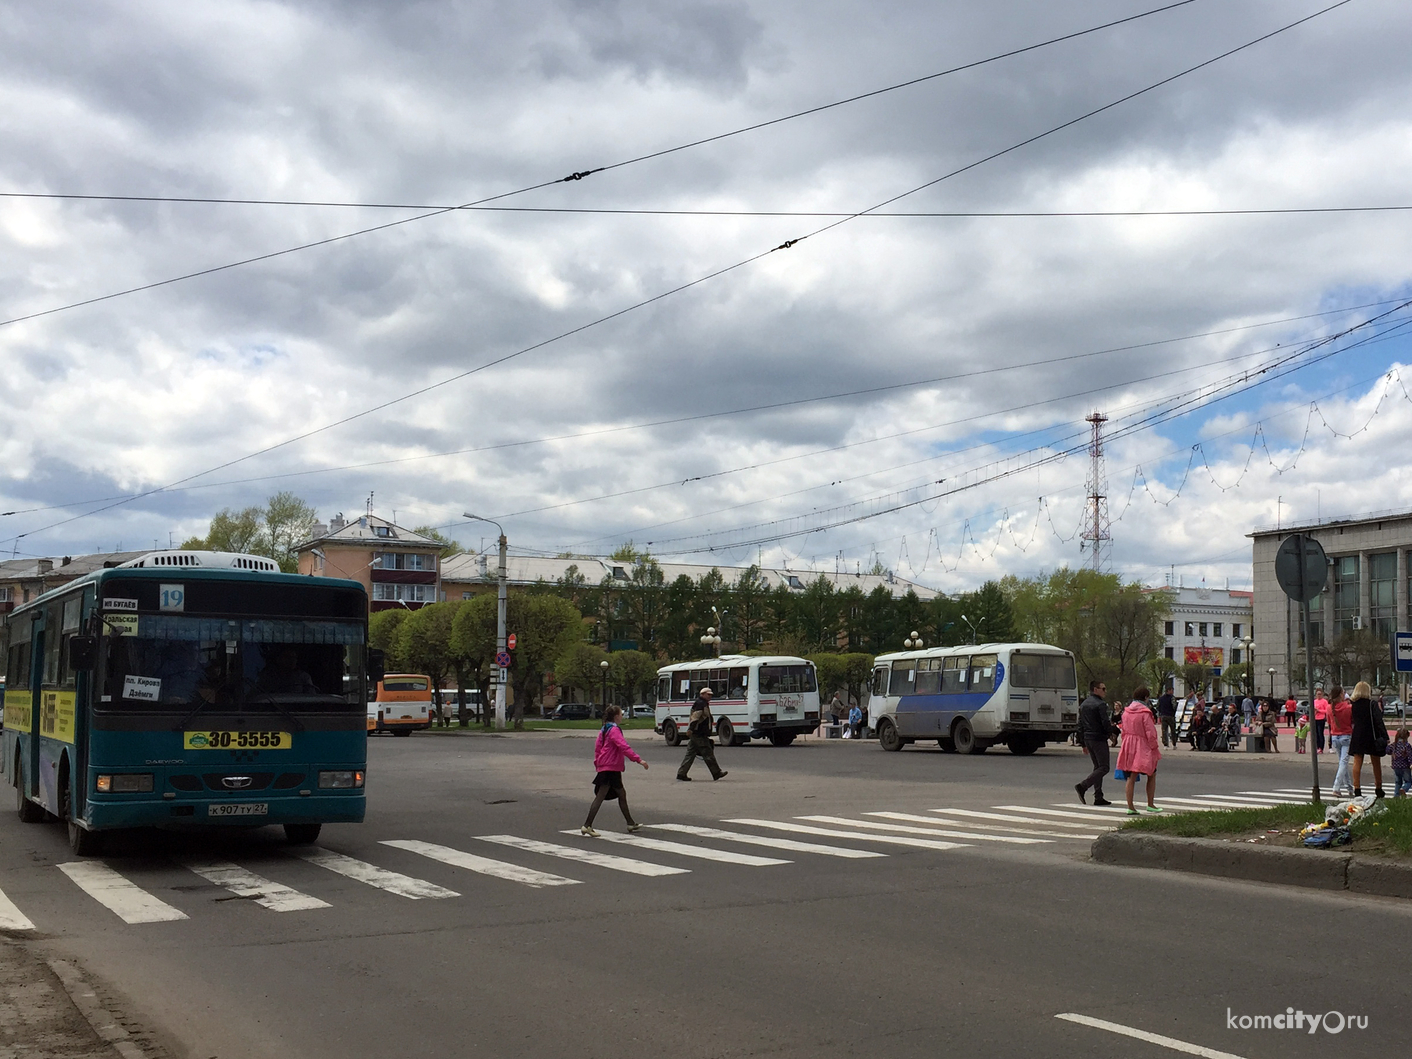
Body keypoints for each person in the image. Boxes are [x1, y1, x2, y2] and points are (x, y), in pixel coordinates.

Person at [581, 705, 648, 836]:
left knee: (621, 794)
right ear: (616, 716)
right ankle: (587, 825)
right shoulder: (614, 730)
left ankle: (630, 822)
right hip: (610, 767)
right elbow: (623, 746)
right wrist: (638, 760)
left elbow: (598, 748)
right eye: (621, 714)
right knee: (601, 796)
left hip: (607, 766)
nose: (622, 716)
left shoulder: (604, 728)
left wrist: (598, 763)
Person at [1117, 684, 1162, 814]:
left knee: (1131, 776)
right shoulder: (1145, 712)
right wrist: (1154, 746)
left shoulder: (1126, 711)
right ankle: (1150, 804)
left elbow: (1124, 729)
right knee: (1151, 773)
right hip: (1143, 745)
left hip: (1129, 744)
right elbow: (1150, 732)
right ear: (1146, 697)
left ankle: (1130, 807)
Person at [1348, 680, 1389, 798]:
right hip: (1372, 734)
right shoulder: (1372, 704)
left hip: (1358, 734)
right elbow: (1378, 721)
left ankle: (1357, 789)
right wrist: (1385, 736)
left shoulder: (1353, 705)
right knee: (1376, 762)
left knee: (1357, 761)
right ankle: (1378, 788)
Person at [1074, 680, 1113, 806]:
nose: (1105, 691)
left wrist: (1082, 742)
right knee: (1104, 767)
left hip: (1088, 738)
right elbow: (1105, 722)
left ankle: (1098, 796)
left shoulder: (1084, 704)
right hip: (1099, 738)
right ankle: (1083, 786)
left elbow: (1080, 724)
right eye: (1103, 688)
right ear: (1095, 689)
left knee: (1098, 767)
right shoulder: (1100, 704)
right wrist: (1109, 734)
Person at [677, 687, 726, 781]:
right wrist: (691, 729)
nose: (710, 696)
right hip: (699, 733)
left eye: (711, 695)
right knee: (708, 753)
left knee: (690, 754)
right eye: (708, 694)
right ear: (702, 694)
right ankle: (716, 773)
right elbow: (695, 717)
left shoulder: (702, 703)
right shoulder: (701, 704)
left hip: (697, 733)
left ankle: (681, 773)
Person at [1328, 685, 1353, 797]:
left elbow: (1329, 722)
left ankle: (1349, 787)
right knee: (1343, 763)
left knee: (1343, 763)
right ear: (1341, 695)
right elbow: (1352, 721)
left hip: (1334, 736)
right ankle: (1336, 787)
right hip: (1346, 736)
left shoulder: (1329, 708)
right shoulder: (1348, 707)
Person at [1390, 729, 1412, 798]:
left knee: (1398, 782)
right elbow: (1409, 755)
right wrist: (1411, 763)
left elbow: (1387, 750)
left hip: (1396, 766)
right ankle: (1404, 788)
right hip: (1405, 766)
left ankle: (1396, 796)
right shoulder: (1407, 745)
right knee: (1408, 781)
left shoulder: (1394, 745)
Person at [1313, 689, 1331, 754]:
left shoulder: (1324, 701)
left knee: (1320, 733)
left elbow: (1326, 710)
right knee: (1316, 734)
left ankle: (1321, 747)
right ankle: (1317, 747)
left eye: (1320, 694)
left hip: (1321, 718)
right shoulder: (1314, 701)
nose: (1319, 695)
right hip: (1315, 718)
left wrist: (1319, 710)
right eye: (1318, 694)